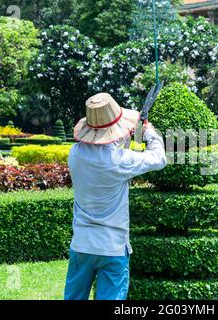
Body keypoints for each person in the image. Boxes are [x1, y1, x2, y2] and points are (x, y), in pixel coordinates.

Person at [64, 92, 167, 300]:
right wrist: (149, 133)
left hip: (82, 244)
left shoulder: (75, 153)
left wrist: (125, 137)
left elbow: (104, 150)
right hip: (112, 247)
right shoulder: (120, 160)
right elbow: (159, 158)